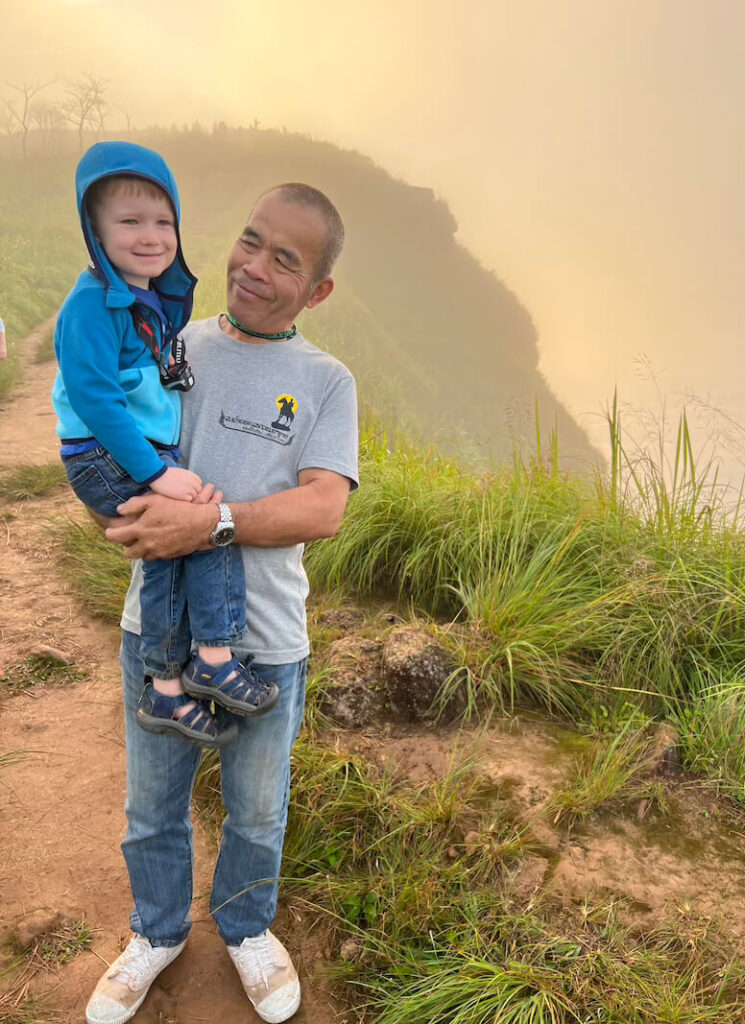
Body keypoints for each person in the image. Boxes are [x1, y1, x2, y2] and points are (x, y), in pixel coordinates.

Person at [85, 183, 359, 1024]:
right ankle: (157, 931)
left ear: (317, 291)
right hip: (159, 633)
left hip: (268, 640)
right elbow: (109, 443)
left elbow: (324, 507)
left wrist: (209, 525)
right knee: (151, 803)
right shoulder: (171, 343)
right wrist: (121, 515)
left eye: (286, 260)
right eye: (251, 241)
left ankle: (245, 928)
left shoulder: (325, 380)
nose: (255, 267)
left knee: (259, 805)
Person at [52, 141, 277, 751]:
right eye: (129, 222)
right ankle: (191, 670)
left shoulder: (138, 297)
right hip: (108, 452)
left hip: (130, 450)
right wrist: (154, 473)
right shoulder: (91, 307)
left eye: (163, 221)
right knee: (194, 526)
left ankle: (185, 673)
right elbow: (96, 402)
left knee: (190, 535)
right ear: (94, 230)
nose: (151, 236)